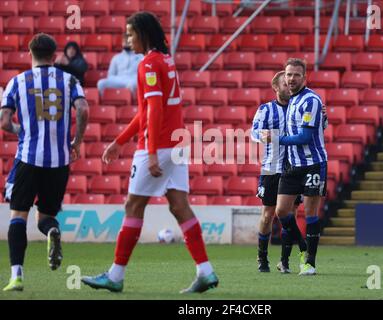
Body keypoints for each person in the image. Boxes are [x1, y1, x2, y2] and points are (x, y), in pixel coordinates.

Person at [81, 12, 219, 294]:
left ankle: (115, 276)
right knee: (179, 205)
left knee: (133, 205)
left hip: (159, 146)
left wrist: (153, 152)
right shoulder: (166, 60)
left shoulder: (148, 64)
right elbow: (146, 111)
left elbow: (154, 110)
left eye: (131, 34)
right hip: (177, 145)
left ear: (143, 34)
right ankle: (205, 271)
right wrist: (120, 140)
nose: (127, 40)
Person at [0, 33, 89, 291]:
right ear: (54, 56)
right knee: (46, 216)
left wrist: (21, 130)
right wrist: (77, 142)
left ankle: (16, 275)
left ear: (30, 54)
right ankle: (51, 230)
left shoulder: (17, 81)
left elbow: (4, 121)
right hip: (59, 161)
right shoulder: (70, 79)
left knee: (18, 215)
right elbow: (83, 109)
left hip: (28, 158)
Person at [252, 71, 327, 274]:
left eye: (290, 82)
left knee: (289, 214)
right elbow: (254, 132)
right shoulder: (266, 109)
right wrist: (266, 135)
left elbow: (316, 129)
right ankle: (263, 257)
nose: (289, 86)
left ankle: (284, 261)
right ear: (276, 87)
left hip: (293, 165)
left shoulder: (299, 105)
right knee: (268, 214)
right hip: (271, 166)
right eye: (284, 84)